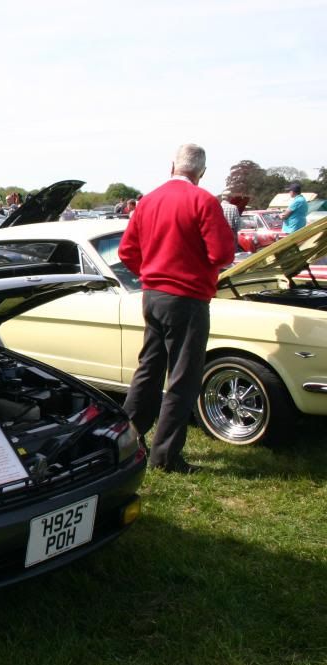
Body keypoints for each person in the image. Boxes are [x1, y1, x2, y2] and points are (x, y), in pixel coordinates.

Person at [117, 144, 236, 473]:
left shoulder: (148, 200)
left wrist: (150, 271)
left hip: (153, 294)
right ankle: (165, 455)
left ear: (173, 166)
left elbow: (127, 251)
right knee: (183, 378)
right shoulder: (203, 200)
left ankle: (127, 438)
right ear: (202, 172)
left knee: (148, 370)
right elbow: (223, 254)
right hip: (187, 297)